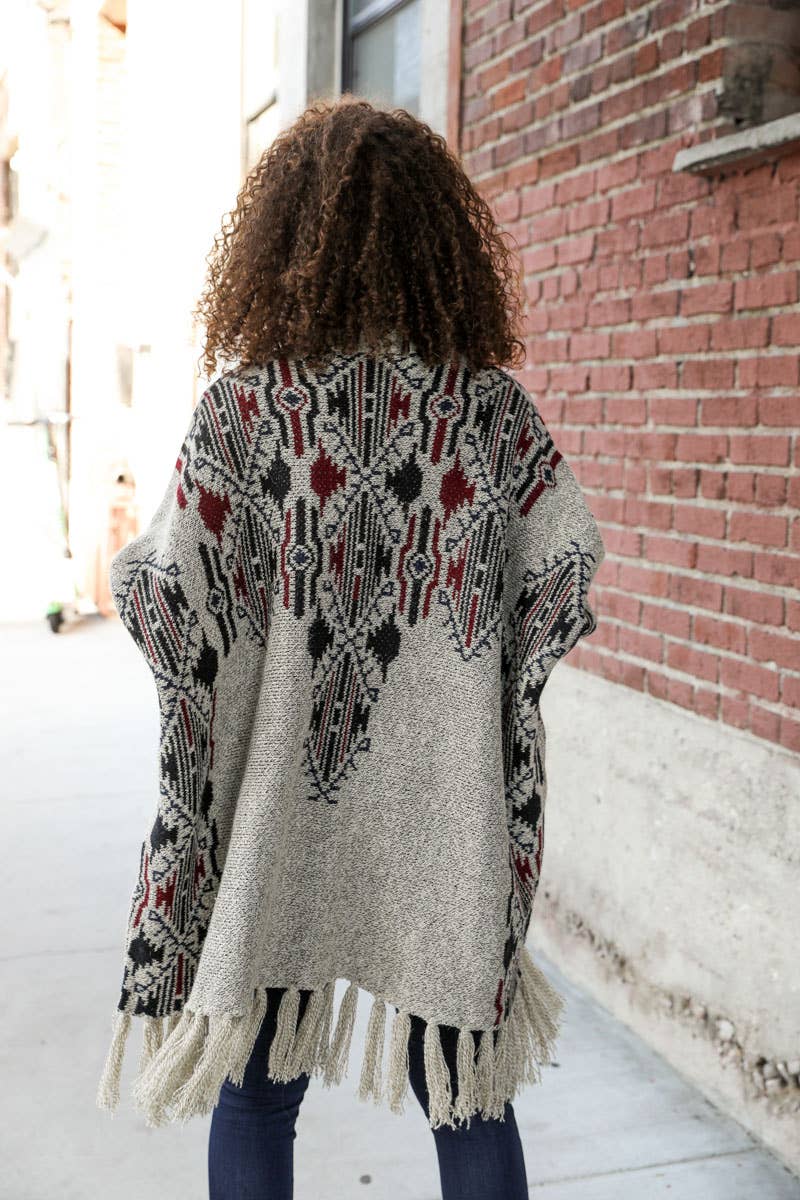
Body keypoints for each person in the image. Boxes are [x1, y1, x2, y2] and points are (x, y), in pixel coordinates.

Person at [96, 96, 605, 1200]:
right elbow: (566, 564)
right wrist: (472, 675)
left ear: (282, 241)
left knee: (256, 1092)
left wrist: (186, 602)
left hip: (284, 816)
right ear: (440, 241)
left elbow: (163, 594)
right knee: (464, 1095)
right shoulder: (491, 418)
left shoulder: (241, 415)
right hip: (443, 814)